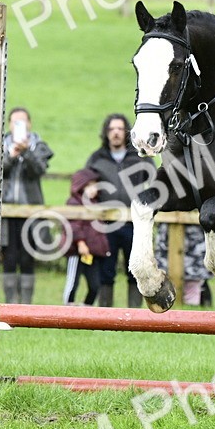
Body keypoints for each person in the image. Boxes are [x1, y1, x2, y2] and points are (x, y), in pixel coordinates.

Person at [85, 113, 155, 307]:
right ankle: (105, 315)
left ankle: (134, 316)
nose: (115, 133)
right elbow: (83, 181)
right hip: (105, 224)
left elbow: (155, 180)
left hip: (135, 223)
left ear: (126, 133)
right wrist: (88, 187)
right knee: (106, 271)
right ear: (106, 133)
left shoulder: (140, 157)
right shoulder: (97, 158)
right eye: (111, 129)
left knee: (135, 271)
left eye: (119, 129)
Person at [0, 107, 53, 304]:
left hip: (31, 212)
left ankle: (26, 306)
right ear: (9, 125)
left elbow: (38, 171)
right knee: (10, 257)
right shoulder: (0, 145)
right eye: (15, 122)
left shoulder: (39, 146)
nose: (19, 126)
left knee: (27, 258)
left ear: (29, 124)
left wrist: (27, 153)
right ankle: (10, 303)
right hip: (6, 213)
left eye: (23, 122)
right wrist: (11, 156)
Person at [62, 168, 110, 306]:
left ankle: (86, 309)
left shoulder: (96, 204)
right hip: (77, 252)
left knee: (95, 285)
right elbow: (73, 225)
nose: (93, 189)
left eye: (95, 185)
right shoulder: (73, 203)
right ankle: (67, 308)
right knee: (72, 282)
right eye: (89, 185)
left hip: (92, 253)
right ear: (80, 186)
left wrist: (102, 247)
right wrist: (80, 242)